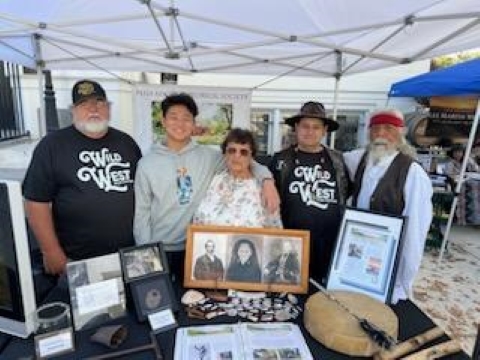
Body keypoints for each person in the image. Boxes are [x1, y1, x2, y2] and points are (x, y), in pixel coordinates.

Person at [134, 93, 279, 280]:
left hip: (199, 248)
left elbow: (243, 161)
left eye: (186, 118)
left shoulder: (209, 157)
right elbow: (141, 212)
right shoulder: (147, 163)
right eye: (173, 117)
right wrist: (146, 254)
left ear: (194, 123)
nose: (180, 123)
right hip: (161, 248)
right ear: (163, 121)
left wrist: (267, 181)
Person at [23, 79, 142, 275]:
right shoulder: (52, 146)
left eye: (99, 103)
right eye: (84, 104)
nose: (93, 109)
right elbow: (36, 202)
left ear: (109, 108)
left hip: (128, 257)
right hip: (77, 260)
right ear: (73, 110)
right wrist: (51, 251)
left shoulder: (126, 143)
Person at [343, 109, 433, 304]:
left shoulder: (412, 173)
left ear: (400, 133)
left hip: (388, 257)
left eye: (389, 129)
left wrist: (404, 279)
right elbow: (335, 158)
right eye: (375, 129)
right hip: (358, 250)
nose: (381, 134)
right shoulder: (359, 160)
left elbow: (415, 230)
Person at [269, 101, 351, 284]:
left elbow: (348, 192)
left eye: (316, 127)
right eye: (305, 126)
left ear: (324, 131)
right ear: (296, 128)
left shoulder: (338, 160)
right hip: (291, 243)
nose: (310, 131)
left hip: (328, 244)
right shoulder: (281, 159)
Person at [193, 128, 282, 228]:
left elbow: (275, 232)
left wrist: (267, 181)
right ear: (224, 154)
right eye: (232, 151)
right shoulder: (213, 180)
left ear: (251, 156)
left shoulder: (264, 189)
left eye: (243, 152)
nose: (237, 156)